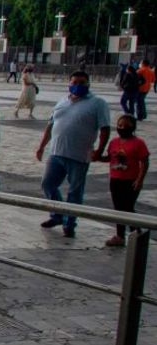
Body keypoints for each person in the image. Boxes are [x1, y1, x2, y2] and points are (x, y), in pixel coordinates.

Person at [36, 70, 111, 238]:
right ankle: (57, 215)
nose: (78, 86)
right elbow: (51, 125)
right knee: (48, 184)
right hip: (56, 152)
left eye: (82, 82)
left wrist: (99, 150)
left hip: (79, 155)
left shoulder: (97, 103)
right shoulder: (62, 101)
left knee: (75, 191)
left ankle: (70, 224)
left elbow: (105, 128)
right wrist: (41, 146)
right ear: (69, 84)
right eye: (75, 82)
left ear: (88, 84)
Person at [101, 114, 149, 247]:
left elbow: (144, 162)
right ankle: (120, 235)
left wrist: (140, 180)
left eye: (126, 126)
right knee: (118, 208)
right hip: (116, 179)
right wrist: (97, 156)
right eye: (120, 125)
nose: (122, 128)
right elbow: (110, 158)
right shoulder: (114, 142)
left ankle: (137, 233)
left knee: (128, 208)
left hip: (131, 180)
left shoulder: (138, 143)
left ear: (132, 127)